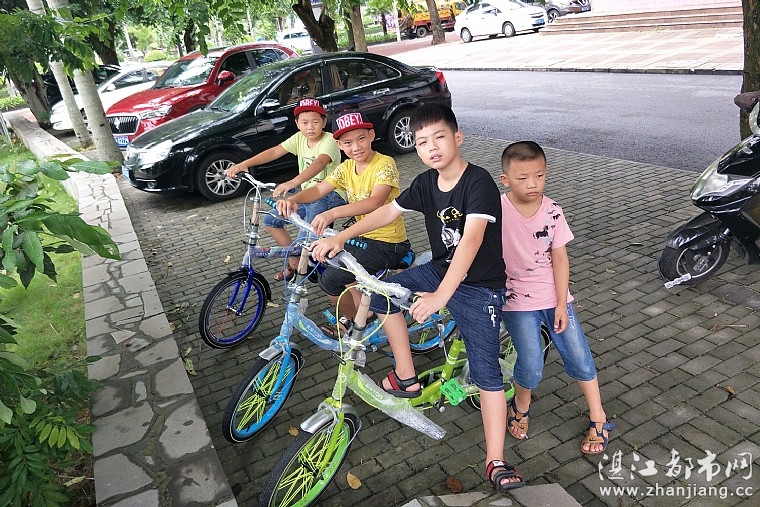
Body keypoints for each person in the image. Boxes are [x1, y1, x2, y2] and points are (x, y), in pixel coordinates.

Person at [310, 103, 524, 493]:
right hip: (440, 271)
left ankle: (496, 460)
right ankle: (406, 377)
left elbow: (471, 241)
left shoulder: (478, 183)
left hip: (480, 286)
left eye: (439, 137)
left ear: (458, 138)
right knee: (379, 296)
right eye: (422, 142)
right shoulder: (426, 183)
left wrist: (441, 295)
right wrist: (340, 236)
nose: (431, 147)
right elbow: (388, 211)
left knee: (486, 374)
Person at [499, 140, 614, 455]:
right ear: (505, 179)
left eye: (539, 176)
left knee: (579, 356)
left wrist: (562, 303)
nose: (532, 184)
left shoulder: (553, 211)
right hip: (515, 301)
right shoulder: (495, 210)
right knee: (531, 365)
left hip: (554, 297)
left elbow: (560, 258)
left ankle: (599, 416)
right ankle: (521, 405)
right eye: (523, 178)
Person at [277, 109, 411, 327]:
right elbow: (319, 189)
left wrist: (332, 212)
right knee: (327, 258)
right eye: (348, 143)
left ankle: (353, 324)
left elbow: (376, 201)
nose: (356, 147)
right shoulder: (346, 167)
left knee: (329, 281)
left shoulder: (384, 163)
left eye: (361, 138)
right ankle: (361, 312)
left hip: (387, 242)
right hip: (362, 236)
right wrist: (294, 199)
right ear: (339, 145)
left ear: (371, 135)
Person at [225, 97, 345, 281]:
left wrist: (292, 182)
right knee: (271, 219)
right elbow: (275, 151)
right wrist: (244, 164)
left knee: (304, 240)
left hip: (330, 194)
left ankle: (307, 272)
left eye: (315, 122)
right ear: (297, 124)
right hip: (307, 196)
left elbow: (320, 163)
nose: (310, 127)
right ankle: (294, 262)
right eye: (304, 123)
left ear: (324, 122)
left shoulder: (329, 140)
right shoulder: (299, 138)